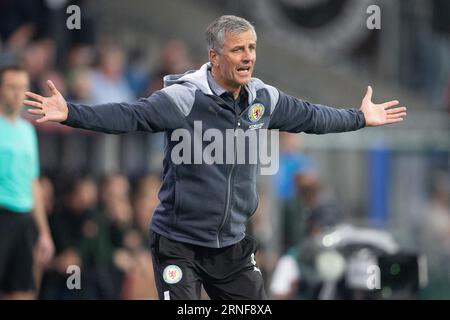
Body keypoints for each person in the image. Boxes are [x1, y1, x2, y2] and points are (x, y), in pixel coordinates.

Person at [23, 15, 407, 300]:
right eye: (238, 49)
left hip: (233, 246)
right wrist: (71, 112)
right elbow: (131, 115)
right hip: (179, 243)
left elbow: (312, 116)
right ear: (214, 55)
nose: (248, 57)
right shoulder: (185, 98)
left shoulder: (263, 98)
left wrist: (359, 118)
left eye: (252, 48)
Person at [0, 65, 54, 299]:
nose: (18, 93)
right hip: (2, 212)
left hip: (24, 219)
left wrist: (44, 232)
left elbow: (32, 182)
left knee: (24, 292)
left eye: (22, 87)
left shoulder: (27, 130)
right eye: (12, 87)